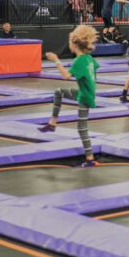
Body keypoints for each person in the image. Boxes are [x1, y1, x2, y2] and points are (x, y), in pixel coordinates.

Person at [40, 25, 99, 166]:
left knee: (82, 128)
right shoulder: (88, 58)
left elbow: (66, 76)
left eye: (69, 43)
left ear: (74, 45)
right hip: (85, 92)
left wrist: (56, 60)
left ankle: (90, 159)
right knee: (59, 92)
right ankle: (52, 122)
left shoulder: (79, 60)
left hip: (85, 96)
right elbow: (94, 72)